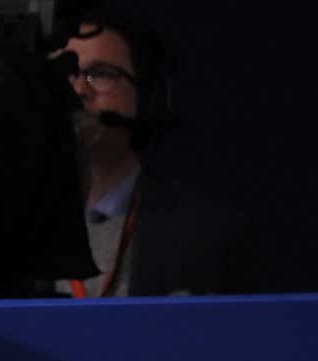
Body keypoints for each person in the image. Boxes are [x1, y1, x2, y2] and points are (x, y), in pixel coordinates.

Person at [54, 11, 253, 297]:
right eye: (64, 75)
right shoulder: (7, 219)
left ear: (148, 96)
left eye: (99, 74)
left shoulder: (203, 230)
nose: (78, 90)